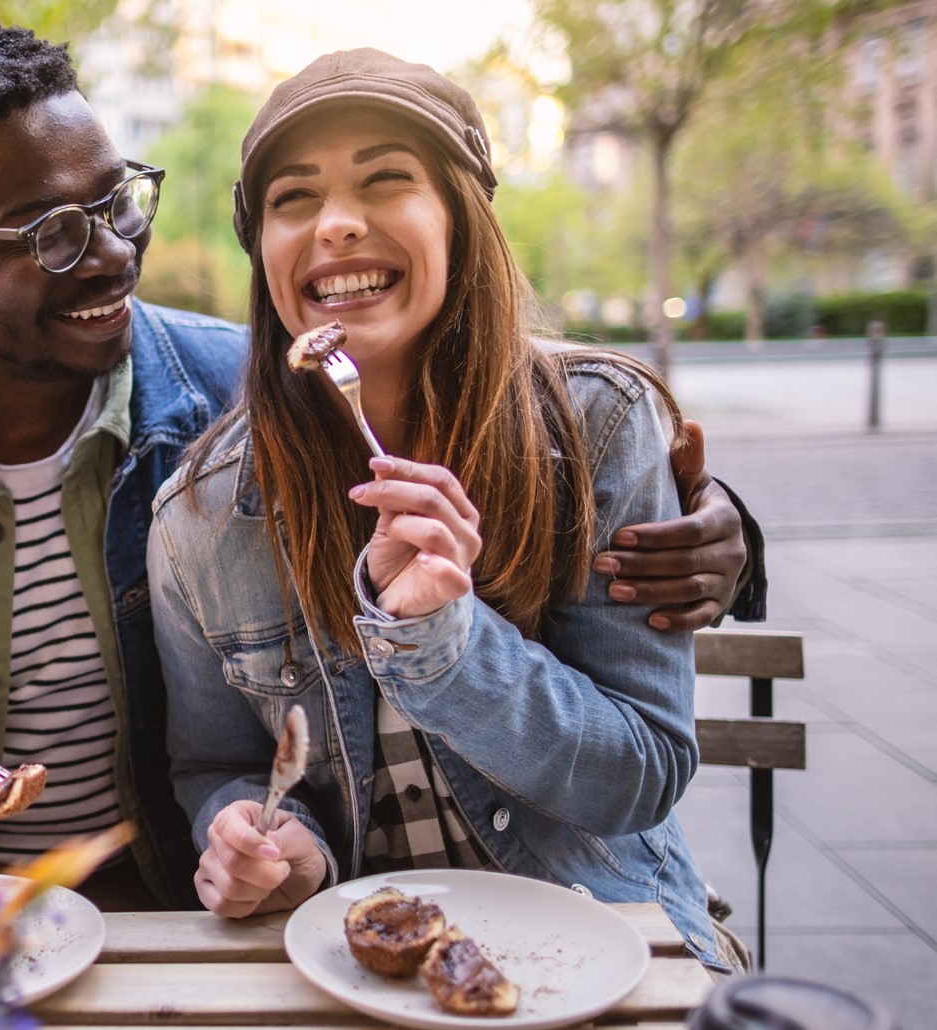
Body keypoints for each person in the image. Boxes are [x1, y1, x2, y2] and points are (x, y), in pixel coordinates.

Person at [0, 18, 756, 927]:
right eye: (51, 232)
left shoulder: (227, 400)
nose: (107, 253)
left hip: (158, 908)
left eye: (116, 202)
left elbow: (493, 414)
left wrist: (726, 538)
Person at [147, 48, 745, 971]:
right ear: (262, 249)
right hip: (353, 962)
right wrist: (269, 840)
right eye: (293, 198)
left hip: (597, 930)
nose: (338, 223)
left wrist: (448, 642)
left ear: (463, 218)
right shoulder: (200, 516)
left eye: (387, 180)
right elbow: (210, 764)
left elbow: (641, 773)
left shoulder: (597, 426)